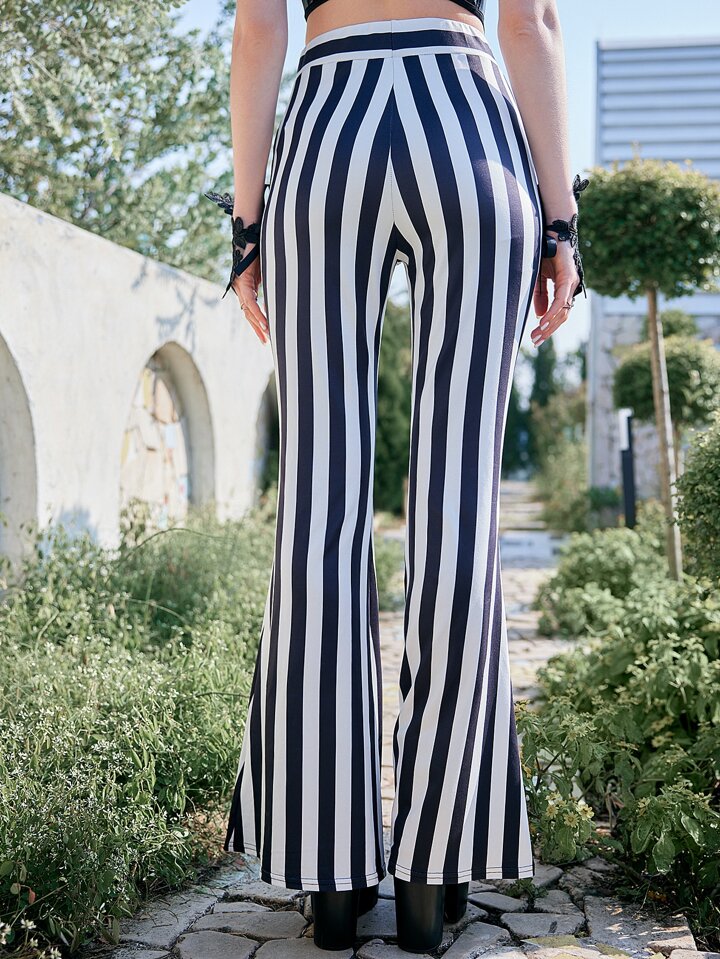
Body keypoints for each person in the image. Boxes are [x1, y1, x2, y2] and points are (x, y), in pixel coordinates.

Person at [210, 0, 586, 951]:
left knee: (317, 512)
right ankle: (432, 872)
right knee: (458, 513)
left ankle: (329, 874)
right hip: (466, 123)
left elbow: (259, 28)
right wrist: (561, 223)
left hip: (328, 126)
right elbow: (531, 22)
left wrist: (248, 229)